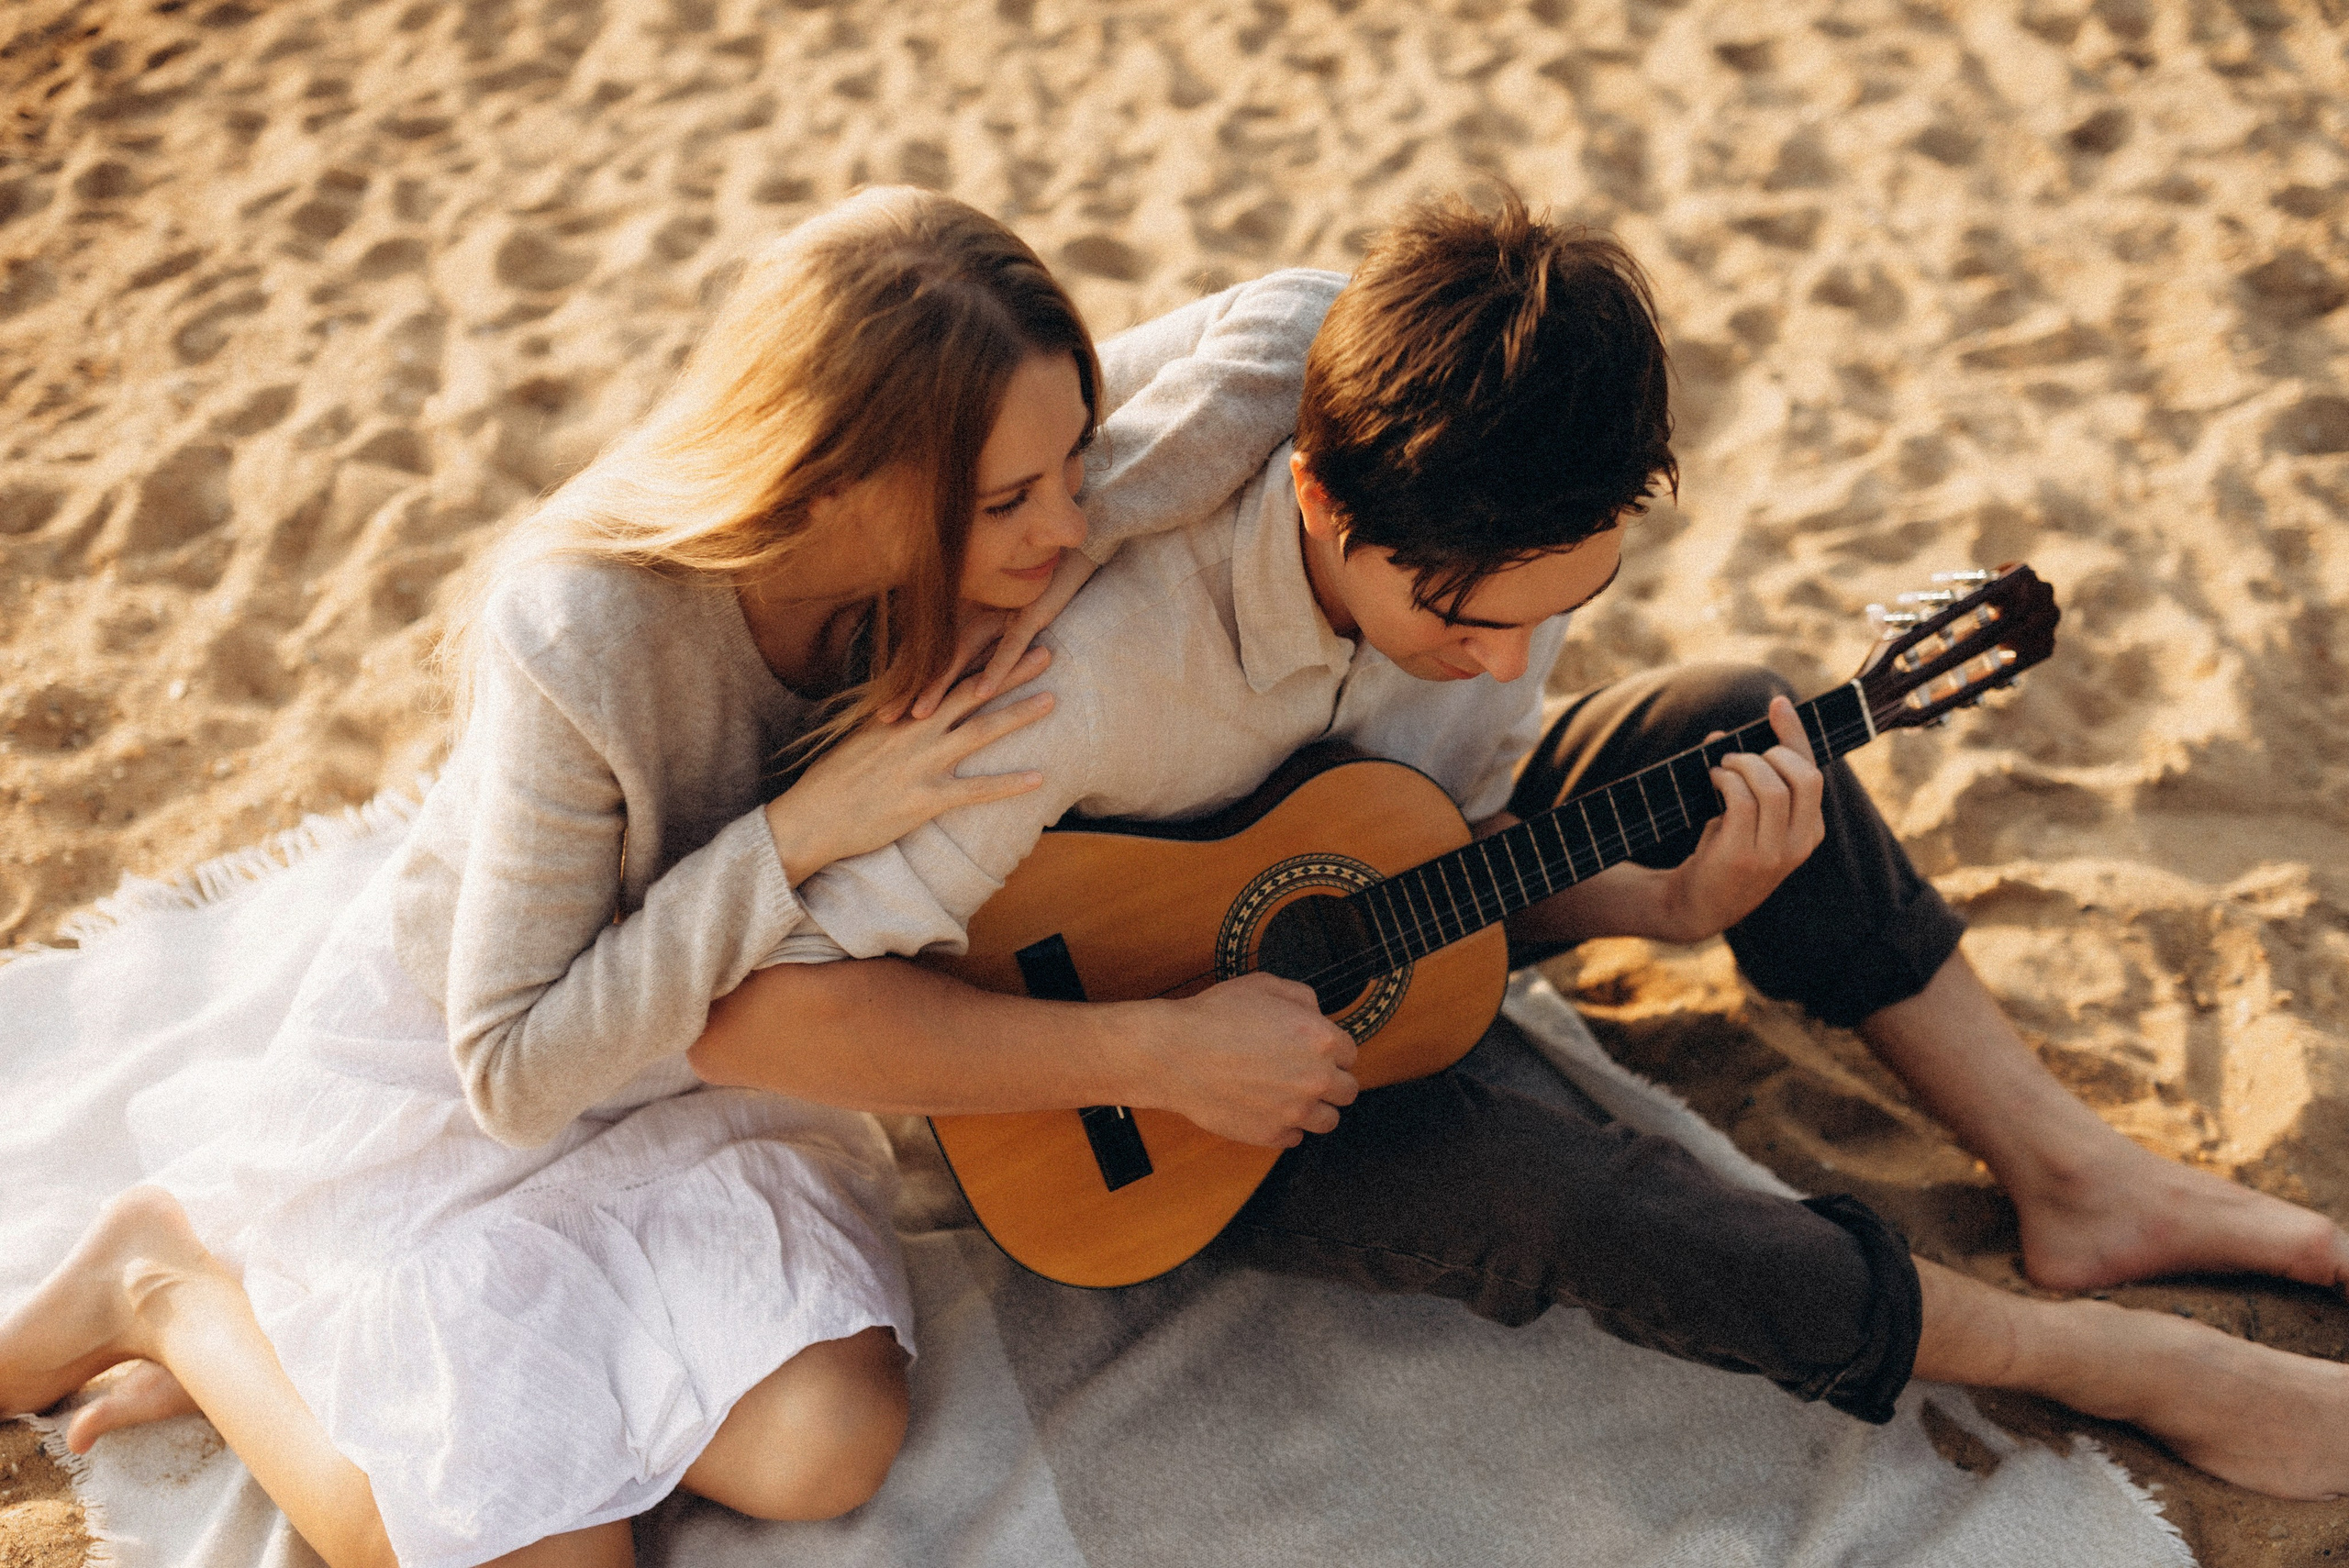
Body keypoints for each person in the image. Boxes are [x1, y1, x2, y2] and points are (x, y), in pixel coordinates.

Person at [690, 192, 2349, 1502]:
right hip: (1140, 1116)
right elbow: (767, 1004)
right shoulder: (1069, 687)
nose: (1510, 660)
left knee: (1744, 717)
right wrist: (1157, 1046)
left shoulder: (1502, 524)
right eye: (1464, 620)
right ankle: (2106, 1361)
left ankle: (2072, 1173)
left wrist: (1675, 902)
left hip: (1361, 893)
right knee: (1554, 1185)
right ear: (1328, 506)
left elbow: (1449, 855)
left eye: (1562, 607)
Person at [0, 186, 1150, 1568]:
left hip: (723, 1068)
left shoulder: (967, 546)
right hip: (473, 1085)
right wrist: (798, 839)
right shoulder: (588, 624)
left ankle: (381, 1355)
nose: (1067, 532)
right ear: (839, 477)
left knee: (828, 1445)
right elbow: (514, 1064)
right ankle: (172, 1276)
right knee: (521, 1554)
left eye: (1072, 469)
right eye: (1015, 499)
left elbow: (1227, 398)